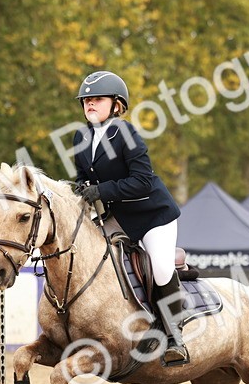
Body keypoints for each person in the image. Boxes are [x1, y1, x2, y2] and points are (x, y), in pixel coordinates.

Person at [72, 70, 188, 366]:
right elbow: (84, 176)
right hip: (118, 217)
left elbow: (142, 181)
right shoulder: (81, 136)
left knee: (160, 268)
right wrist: (80, 188)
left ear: (117, 105)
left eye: (97, 99)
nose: (90, 104)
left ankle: (174, 335)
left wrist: (101, 190)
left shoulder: (125, 133)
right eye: (86, 100)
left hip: (152, 215)